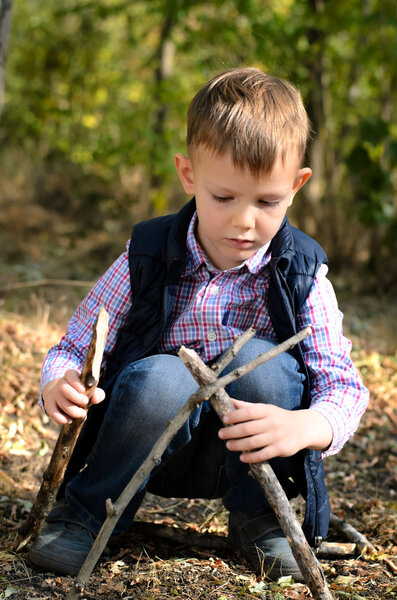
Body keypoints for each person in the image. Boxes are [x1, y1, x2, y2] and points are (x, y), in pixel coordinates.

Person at [29, 67, 369, 581]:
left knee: (266, 366)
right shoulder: (147, 255)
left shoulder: (302, 272)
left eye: (267, 202)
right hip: (143, 442)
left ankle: (259, 519)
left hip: (250, 453)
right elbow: (75, 344)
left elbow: (342, 385)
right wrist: (59, 381)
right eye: (224, 197)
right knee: (165, 375)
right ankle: (85, 513)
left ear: (297, 185)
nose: (244, 221)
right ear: (189, 175)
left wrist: (308, 425)